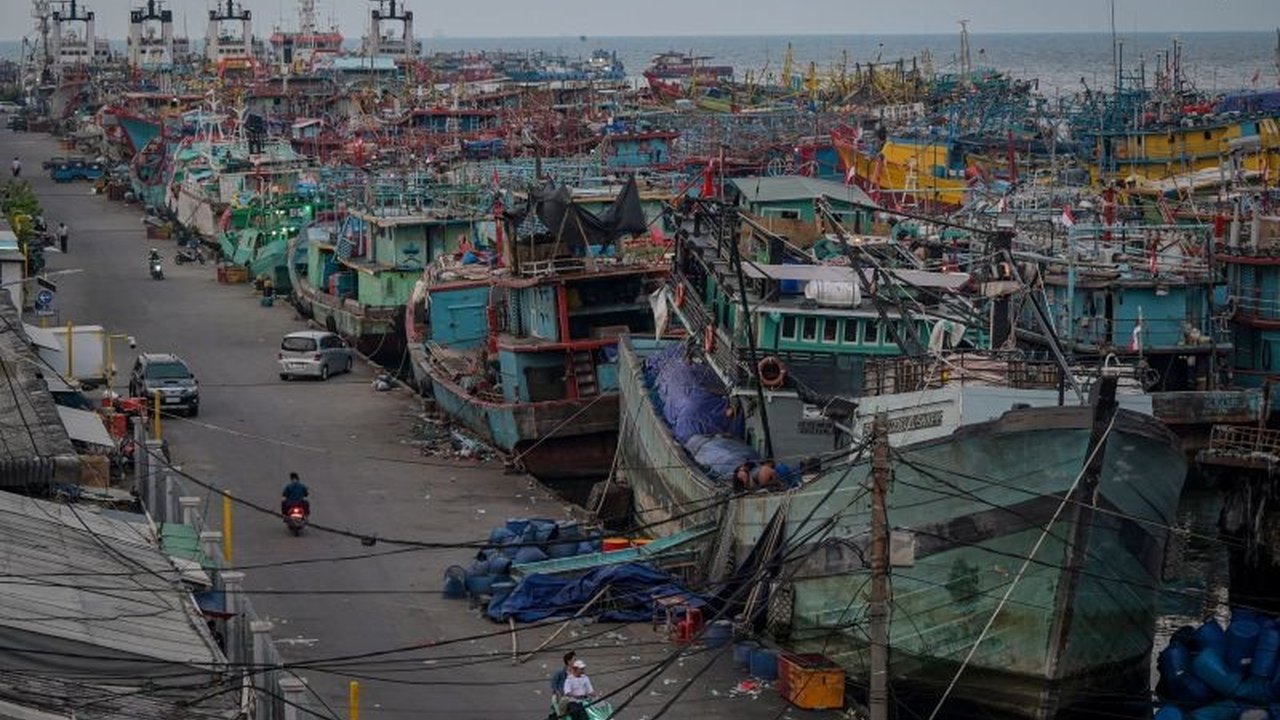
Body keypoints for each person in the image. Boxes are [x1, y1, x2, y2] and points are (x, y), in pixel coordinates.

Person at [549, 650, 575, 718]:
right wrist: (559, 694)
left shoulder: (576, 672)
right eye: (574, 660)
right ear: (569, 661)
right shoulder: (560, 672)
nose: (576, 662)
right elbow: (554, 685)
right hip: (562, 696)